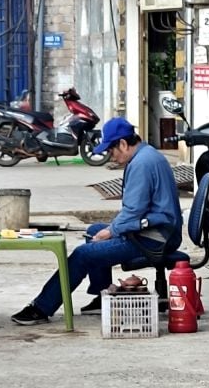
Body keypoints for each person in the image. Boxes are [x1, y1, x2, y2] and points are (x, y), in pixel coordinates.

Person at [12, 117, 182, 324]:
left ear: (123, 144)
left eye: (111, 150)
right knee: (94, 230)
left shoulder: (142, 164)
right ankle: (102, 296)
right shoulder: (147, 155)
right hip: (156, 229)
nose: (111, 156)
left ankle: (41, 308)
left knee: (82, 254)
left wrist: (111, 231)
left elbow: (133, 212)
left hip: (154, 237)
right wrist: (110, 229)